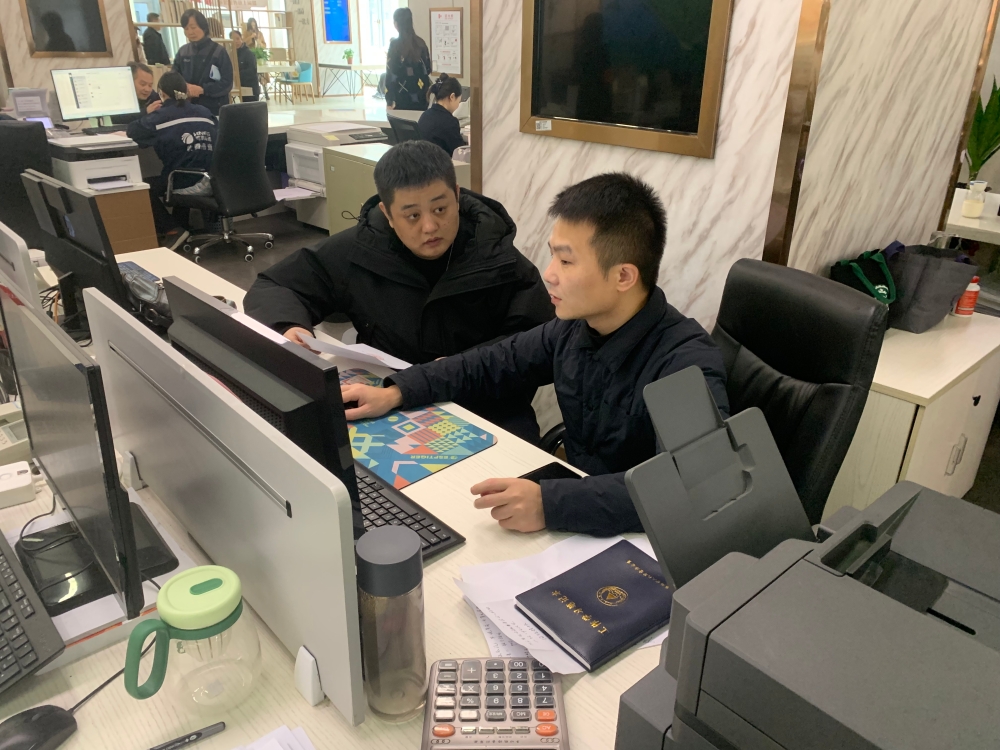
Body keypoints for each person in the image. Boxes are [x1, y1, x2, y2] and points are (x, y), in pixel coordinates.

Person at [340, 173, 730, 537]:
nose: (549, 274)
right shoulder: (574, 329)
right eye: (552, 256)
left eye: (566, 261)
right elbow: (492, 363)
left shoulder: (684, 361)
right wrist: (398, 390)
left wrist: (550, 504)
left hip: (643, 540)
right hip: (579, 517)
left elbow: (694, 484)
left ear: (623, 276)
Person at [244, 141, 554, 443]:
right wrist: (289, 325)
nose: (430, 226)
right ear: (388, 213)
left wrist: (457, 370)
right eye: (412, 215)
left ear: (457, 196)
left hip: (487, 408)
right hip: (386, 399)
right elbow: (275, 285)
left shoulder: (499, 258)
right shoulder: (359, 250)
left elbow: (541, 347)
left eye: (440, 208)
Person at [126, 71, 217, 249]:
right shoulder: (205, 113)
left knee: (141, 187)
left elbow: (133, 131)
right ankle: (182, 228)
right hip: (213, 178)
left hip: (183, 179)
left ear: (161, 93)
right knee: (182, 167)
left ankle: (173, 230)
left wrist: (147, 113)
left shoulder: (159, 117)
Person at [172, 9, 233, 116]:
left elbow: (227, 82)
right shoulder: (182, 52)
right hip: (188, 107)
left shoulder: (219, 51)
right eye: (186, 29)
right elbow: (173, 77)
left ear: (203, 27)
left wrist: (203, 89)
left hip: (213, 108)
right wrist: (185, 87)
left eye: (193, 27)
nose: (190, 32)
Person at [385, 8, 431, 111]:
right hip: (421, 97)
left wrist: (389, 101)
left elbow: (390, 74)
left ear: (396, 23)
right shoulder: (421, 43)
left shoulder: (395, 45)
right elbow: (428, 69)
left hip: (401, 98)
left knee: (402, 121)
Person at [418, 74, 466, 156]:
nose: (458, 105)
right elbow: (460, 153)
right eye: (459, 101)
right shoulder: (450, 122)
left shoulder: (425, 115)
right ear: (452, 97)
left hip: (424, 161)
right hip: (440, 163)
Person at [230, 30, 260, 101]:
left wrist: (237, 74)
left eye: (237, 39)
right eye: (233, 39)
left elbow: (252, 71)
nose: (236, 41)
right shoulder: (231, 54)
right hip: (239, 87)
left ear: (241, 39)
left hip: (250, 88)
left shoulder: (248, 53)